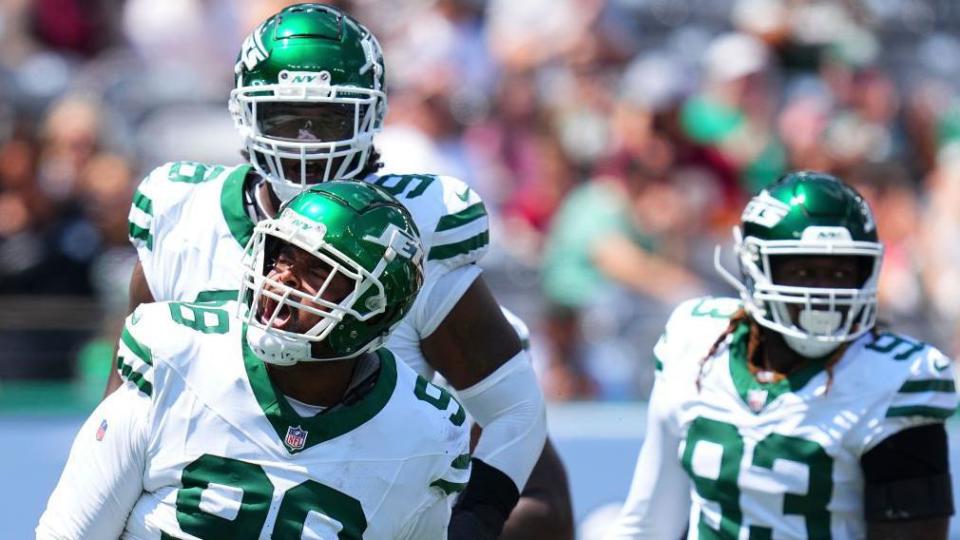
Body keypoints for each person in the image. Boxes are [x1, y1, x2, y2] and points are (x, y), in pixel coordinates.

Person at [111, 4, 569, 538]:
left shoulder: (417, 231)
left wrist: (469, 523)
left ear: (371, 116)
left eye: (327, 119)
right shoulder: (181, 215)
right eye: (283, 116)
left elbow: (516, 418)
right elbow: (122, 412)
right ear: (244, 114)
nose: (306, 141)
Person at [38, 182, 471, 539]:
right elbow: (69, 533)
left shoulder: (423, 434)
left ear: (376, 306)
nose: (281, 280)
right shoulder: (176, 353)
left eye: (319, 270)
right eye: (281, 256)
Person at [608, 171, 957, 539]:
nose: (825, 293)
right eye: (804, 271)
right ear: (755, 267)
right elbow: (648, 524)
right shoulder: (694, 340)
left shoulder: (895, 378)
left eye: (840, 272)